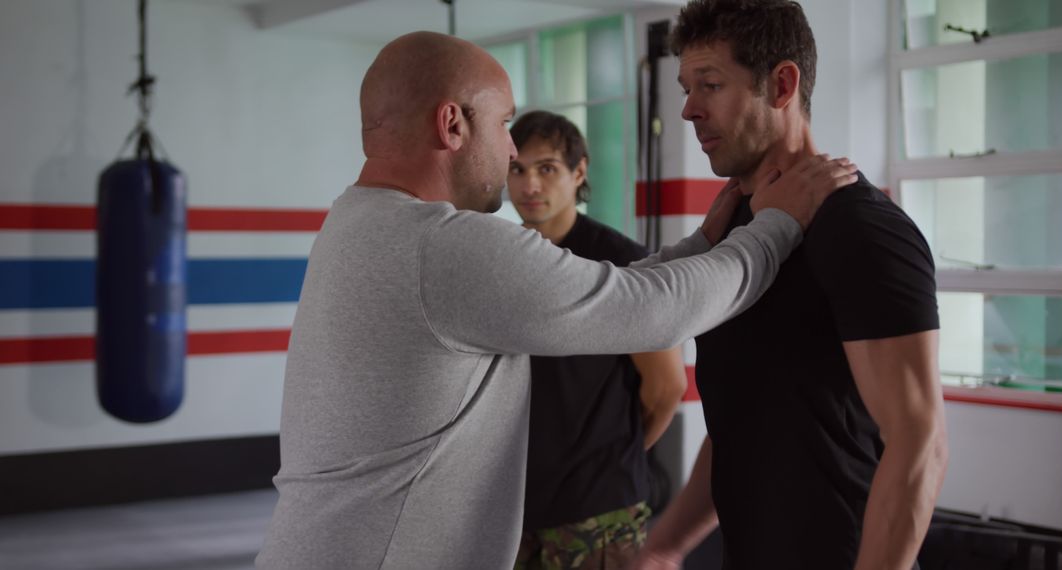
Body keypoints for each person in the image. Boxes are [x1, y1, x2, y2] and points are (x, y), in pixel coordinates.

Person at [255, 30, 856, 569]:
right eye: (502, 125)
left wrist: (703, 243)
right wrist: (776, 227)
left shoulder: (357, 222)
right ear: (452, 125)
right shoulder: (445, 245)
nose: (513, 155)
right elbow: (653, 312)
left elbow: (615, 290)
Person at [631, 1, 949, 569]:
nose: (688, 110)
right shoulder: (734, 230)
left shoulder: (860, 228)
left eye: (709, 84)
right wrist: (667, 545)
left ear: (782, 84)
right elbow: (743, 419)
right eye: (686, 87)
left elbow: (919, 440)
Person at [506, 111, 687, 569]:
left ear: (579, 172)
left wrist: (609, 455)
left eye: (546, 168)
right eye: (517, 169)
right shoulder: (504, 262)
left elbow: (667, 388)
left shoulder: (622, 263)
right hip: (517, 508)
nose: (529, 185)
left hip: (600, 513)